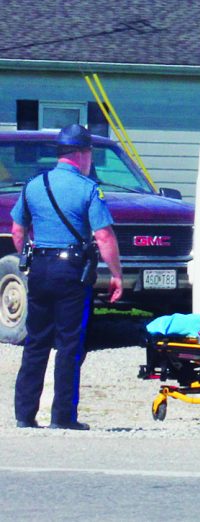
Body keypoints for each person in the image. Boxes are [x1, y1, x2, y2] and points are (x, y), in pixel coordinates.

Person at [10, 124, 123, 430]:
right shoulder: (88, 189)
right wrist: (116, 275)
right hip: (72, 270)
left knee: (36, 342)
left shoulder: (34, 185)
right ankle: (63, 417)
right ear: (81, 154)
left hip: (41, 269)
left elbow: (18, 231)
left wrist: (30, 258)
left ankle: (24, 414)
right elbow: (104, 236)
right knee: (69, 344)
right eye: (90, 154)